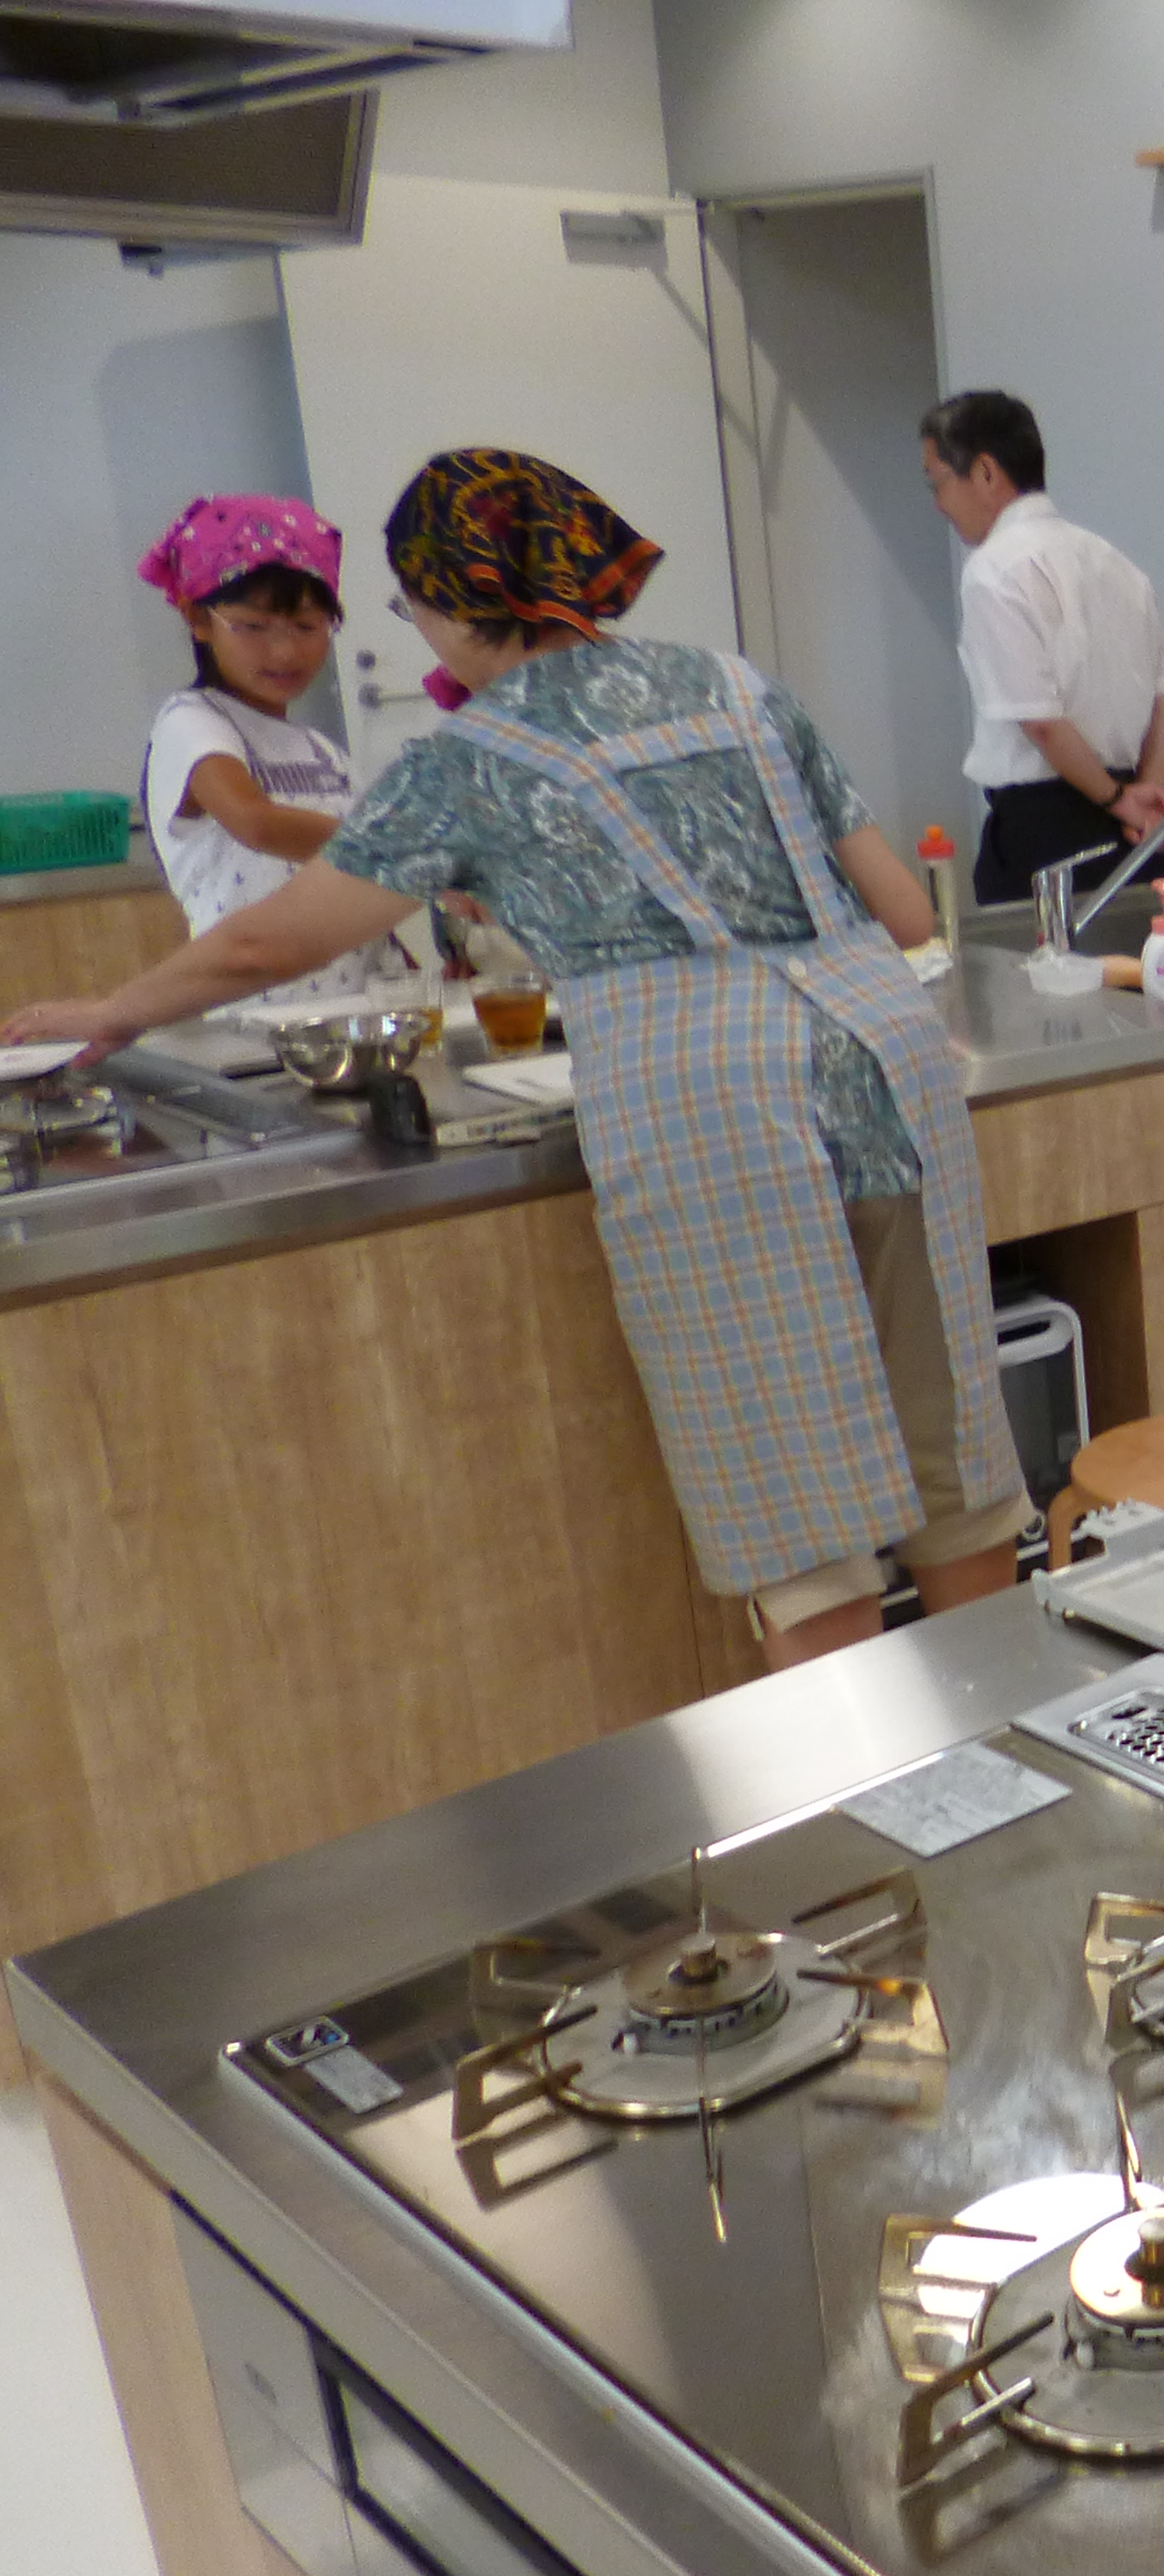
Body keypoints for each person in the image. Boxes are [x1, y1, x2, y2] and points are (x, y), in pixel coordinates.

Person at [5, 449, 1028, 1676]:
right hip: (885, 1056)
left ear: (449, 598)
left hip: (711, 1094)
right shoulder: (742, 685)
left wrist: (114, 1010)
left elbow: (271, 940)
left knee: (800, 1507)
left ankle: (870, 1782)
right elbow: (903, 911)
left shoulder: (472, 757)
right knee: (955, 1458)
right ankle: (1000, 1731)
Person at [131, 495, 412, 1010]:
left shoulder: (324, 753)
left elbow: (355, 882)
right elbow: (256, 823)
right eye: (253, 627)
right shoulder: (192, 721)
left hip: (356, 1011)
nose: (284, 651)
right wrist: (405, 853)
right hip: (253, 1014)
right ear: (199, 619)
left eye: (307, 627)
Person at [915, 390, 1164, 905]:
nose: (937, 504)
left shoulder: (994, 570)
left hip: (1047, 830)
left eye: (937, 481)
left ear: (985, 473)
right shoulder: (1118, 565)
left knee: (1040, 959)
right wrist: (1144, 804)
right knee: (1140, 955)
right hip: (1136, 829)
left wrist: (1118, 798)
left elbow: (1040, 721)